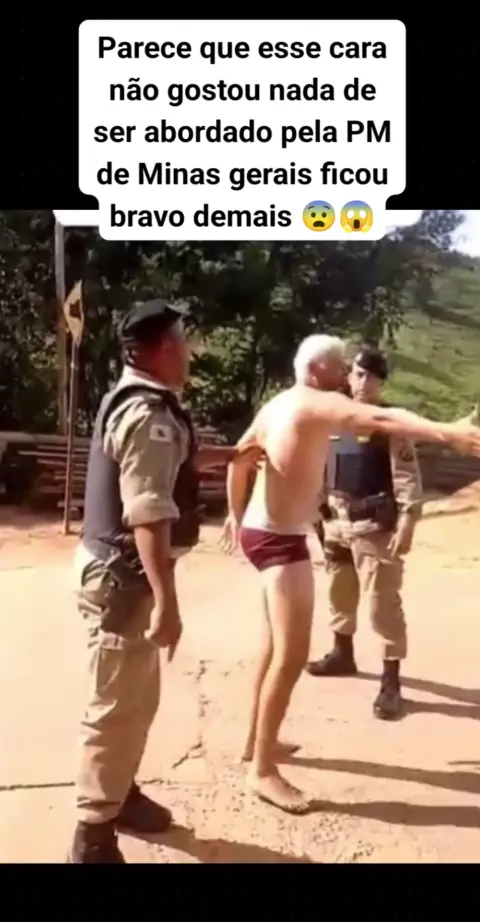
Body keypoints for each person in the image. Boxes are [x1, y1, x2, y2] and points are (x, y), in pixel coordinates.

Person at [220, 334, 480, 815]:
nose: (347, 375)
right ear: (316, 371)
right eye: (340, 367)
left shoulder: (278, 404)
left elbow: (239, 457)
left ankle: (256, 742)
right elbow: (383, 419)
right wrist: (448, 432)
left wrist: (236, 515)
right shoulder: (316, 404)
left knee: (273, 648)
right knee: (290, 656)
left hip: (264, 531)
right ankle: (262, 769)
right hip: (280, 541)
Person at [70, 298, 260, 863]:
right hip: (125, 580)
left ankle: (118, 794)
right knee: (114, 708)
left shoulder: (146, 404)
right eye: (184, 340)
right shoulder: (147, 416)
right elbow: (148, 511)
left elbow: (176, 460)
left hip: (123, 576)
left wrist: (237, 453)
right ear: (164, 349)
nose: (191, 351)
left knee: (136, 700)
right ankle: (92, 836)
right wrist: (166, 602)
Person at [306, 346, 422, 720]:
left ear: (380, 382)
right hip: (336, 522)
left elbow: (407, 476)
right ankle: (342, 653)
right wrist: (316, 511)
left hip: (374, 526)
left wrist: (408, 519)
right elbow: (322, 467)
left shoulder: (389, 424)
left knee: (382, 602)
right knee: (339, 590)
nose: (363, 382)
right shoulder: (334, 419)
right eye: (357, 374)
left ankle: (391, 682)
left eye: (371, 376)